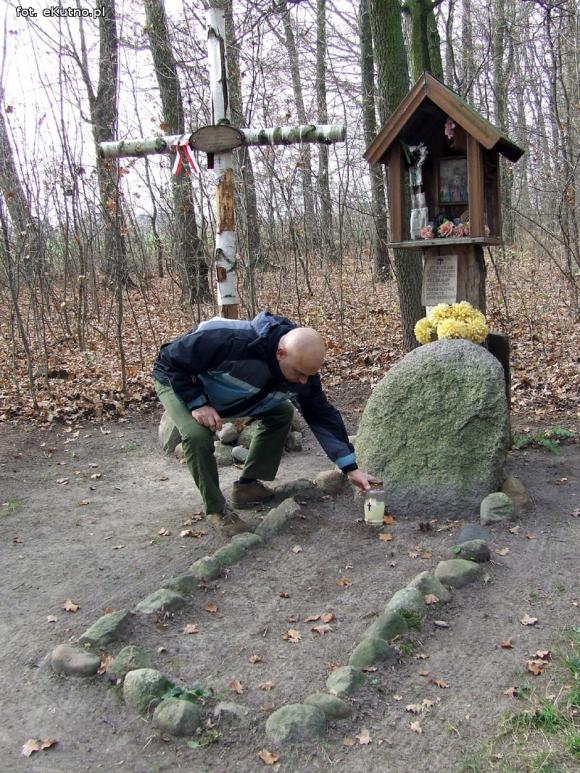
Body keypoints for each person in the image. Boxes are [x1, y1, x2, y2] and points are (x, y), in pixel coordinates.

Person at [152, 311, 377, 536]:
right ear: (280, 353)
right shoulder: (231, 340)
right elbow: (171, 358)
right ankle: (217, 510)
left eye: (309, 375)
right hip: (179, 382)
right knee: (196, 435)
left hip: (236, 396)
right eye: (299, 374)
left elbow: (320, 414)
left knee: (281, 413)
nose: (303, 381)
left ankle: (247, 487)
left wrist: (350, 468)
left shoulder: (302, 370)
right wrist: (196, 402)